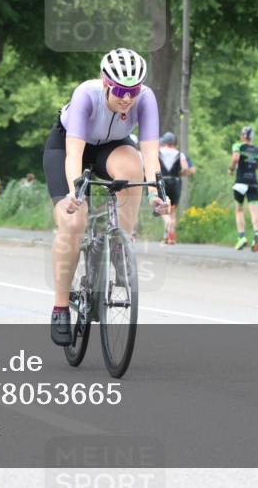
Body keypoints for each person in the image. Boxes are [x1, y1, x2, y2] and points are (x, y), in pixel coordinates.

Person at [43, 48, 169, 346]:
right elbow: (74, 152)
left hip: (111, 147)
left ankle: (120, 243)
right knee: (73, 224)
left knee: (132, 166)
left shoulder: (146, 99)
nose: (127, 99)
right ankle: (61, 306)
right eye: (120, 91)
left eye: (133, 91)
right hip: (68, 146)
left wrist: (155, 191)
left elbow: (150, 153)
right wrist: (75, 192)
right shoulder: (86, 94)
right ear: (105, 82)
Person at [229, 125, 258, 251]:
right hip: (253, 183)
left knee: (239, 210)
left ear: (243, 136)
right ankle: (256, 234)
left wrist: (231, 169)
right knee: (254, 210)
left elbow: (235, 158)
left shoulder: (238, 146)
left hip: (240, 182)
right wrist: (251, 162)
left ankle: (241, 237)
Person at [157, 131, 195, 245]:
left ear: (164, 142)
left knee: (162, 207)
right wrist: (180, 173)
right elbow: (186, 169)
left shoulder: (158, 152)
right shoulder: (180, 154)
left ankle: (167, 222)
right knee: (172, 210)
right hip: (176, 182)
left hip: (162, 181)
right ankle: (170, 236)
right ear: (174, 142)